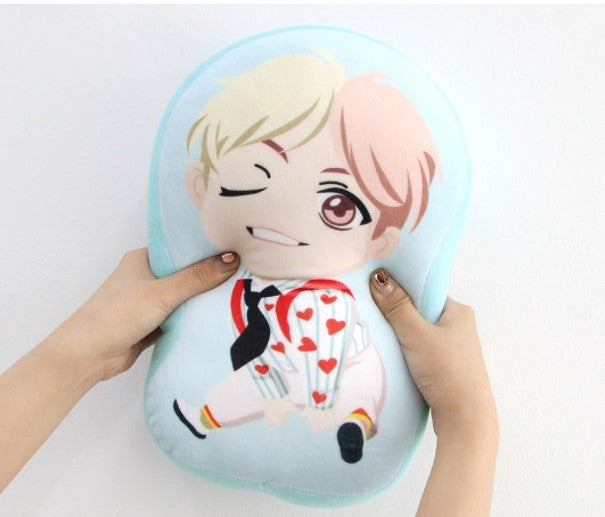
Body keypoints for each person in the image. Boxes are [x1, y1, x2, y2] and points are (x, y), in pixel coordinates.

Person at [0, 248, 498, 515]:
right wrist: (468, 426)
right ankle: (355, 418)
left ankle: (211, 416)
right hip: (333, 338)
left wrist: (78, 356)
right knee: (354, 377)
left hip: (301, 344)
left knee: (268, 379)